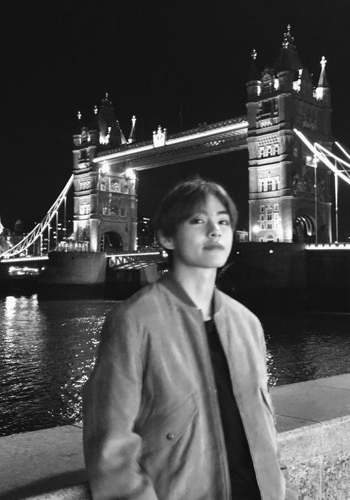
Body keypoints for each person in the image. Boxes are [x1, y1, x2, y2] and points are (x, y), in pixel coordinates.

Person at [83, 177, 300, 499]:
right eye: (198, 220)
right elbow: (110, 449)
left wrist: (281, 490)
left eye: (223, 222)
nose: (215, 231)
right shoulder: (133, 322)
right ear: (166, 236)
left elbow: (264, 428)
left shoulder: (248, 323)